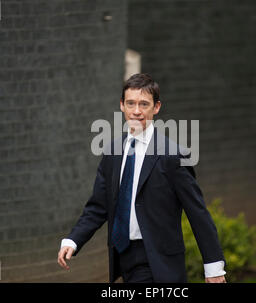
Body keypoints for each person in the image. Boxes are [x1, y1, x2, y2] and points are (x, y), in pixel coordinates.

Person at [57, 73, 227, 283]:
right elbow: (99, 207)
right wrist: (73, 240)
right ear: (122, 105)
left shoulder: (173, 155)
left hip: (157, 261)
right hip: (123, 257)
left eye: (144, 104)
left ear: (156, 107)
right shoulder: (113, 152)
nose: (136, 111)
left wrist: (214, 267)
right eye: (131, 103)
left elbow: (197, 212)